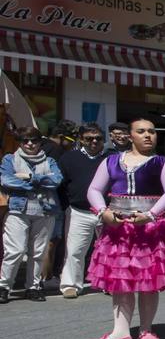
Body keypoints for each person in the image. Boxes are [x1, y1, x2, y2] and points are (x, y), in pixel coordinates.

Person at [84, 118, 165, 339]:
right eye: (142, 131)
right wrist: (102, 212)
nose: (148, 135)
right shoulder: (111, 161)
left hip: (150, 230)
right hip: (118, 229)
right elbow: (94, 189)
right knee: (120, 280)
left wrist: (151, 215)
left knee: (149, 280)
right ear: (130, 136)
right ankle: (121, 331)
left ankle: (146, 329)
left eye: (152, 131)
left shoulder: (163, 163)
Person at [0, 127, 63, 302]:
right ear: (20, 142)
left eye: (33, 140)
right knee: (15, 250)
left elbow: (56, 180)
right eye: (25, 140)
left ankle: (33, 287)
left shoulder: (49, 160)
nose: (29, 144)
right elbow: (6, 180)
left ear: (40, 142)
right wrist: (39, 180)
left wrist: (27, 177)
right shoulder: (10, 159)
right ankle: (4, 286)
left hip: (45, 211)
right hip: (17, 210)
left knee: (38, 252)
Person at [57, 123, 106, 298]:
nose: (94, 141)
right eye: (89, 138)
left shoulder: (112, 158)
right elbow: (60, 185)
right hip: (78, 211)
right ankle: (71, 284)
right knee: (75, 250)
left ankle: (108, 282)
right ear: (80, 139)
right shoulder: (69, 158)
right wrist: (66, 206)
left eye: (98, 138)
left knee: (108, 250)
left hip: (107, 212)